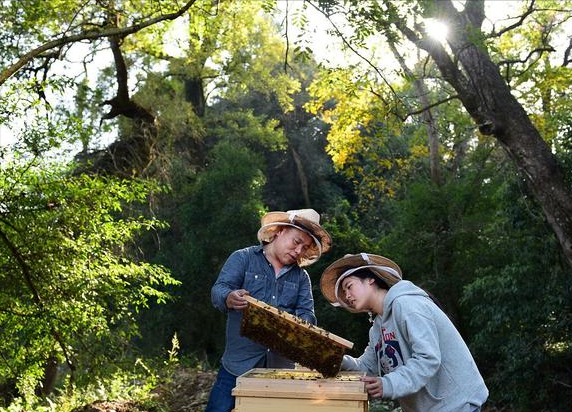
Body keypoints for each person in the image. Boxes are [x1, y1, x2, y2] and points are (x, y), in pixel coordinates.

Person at [320, 253, 488, 412]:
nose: (347, 295)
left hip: (456, 405)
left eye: (349, 286)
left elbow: (427, 358)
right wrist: (335, 358)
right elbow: (367, 368)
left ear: (371, 279)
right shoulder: (377, 328)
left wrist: (388, 384)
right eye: (344, 293)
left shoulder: (407, 304)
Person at [205, 209, 332, 412]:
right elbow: (218, 290)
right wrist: (229, 297)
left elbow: (308, 314)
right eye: (296, 241)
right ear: (280, 231)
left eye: (305, 247)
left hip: (280, 369)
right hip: (238, 365)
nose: (299, 250)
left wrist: (300, 324)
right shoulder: (243, 258)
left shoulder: (301, 278)